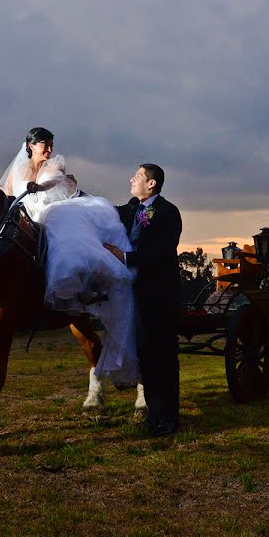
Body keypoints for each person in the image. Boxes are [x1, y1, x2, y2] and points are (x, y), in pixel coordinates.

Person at [0, 127, 138, 386]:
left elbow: (55, 181)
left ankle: (81, 287)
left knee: (67, 242)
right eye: (44, 144)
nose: (49, 149)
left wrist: (38, 186)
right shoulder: (17, 169)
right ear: (30, 145)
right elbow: (9, 197)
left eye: (51, 144)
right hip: (27, 217)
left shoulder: (56, 162)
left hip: (52, 210)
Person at [104, 164, 182, 437]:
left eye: (136, 176)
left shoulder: (169, 212)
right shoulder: (130, 209)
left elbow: (162, 251)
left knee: (163, 355)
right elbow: (104, 212)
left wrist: (125, 257)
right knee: (146, 355)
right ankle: (153, 414)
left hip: (160, 295)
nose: (131, 179)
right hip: (135, 295)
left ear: (151, 184)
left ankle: (169, 418)